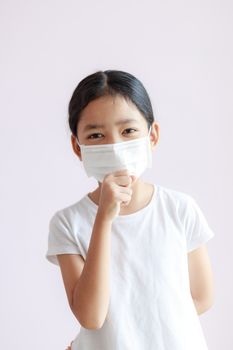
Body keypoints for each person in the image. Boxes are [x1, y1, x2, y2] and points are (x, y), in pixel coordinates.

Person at [45, 70, 215, 350]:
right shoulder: (68, 223)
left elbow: (202, 296)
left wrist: (139, 331)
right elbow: (91, 316)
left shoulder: (180, 209)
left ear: (153, 135)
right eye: (97, 135)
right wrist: (103, 217)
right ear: (78, 147)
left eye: (128, 131)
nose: (115, 147)